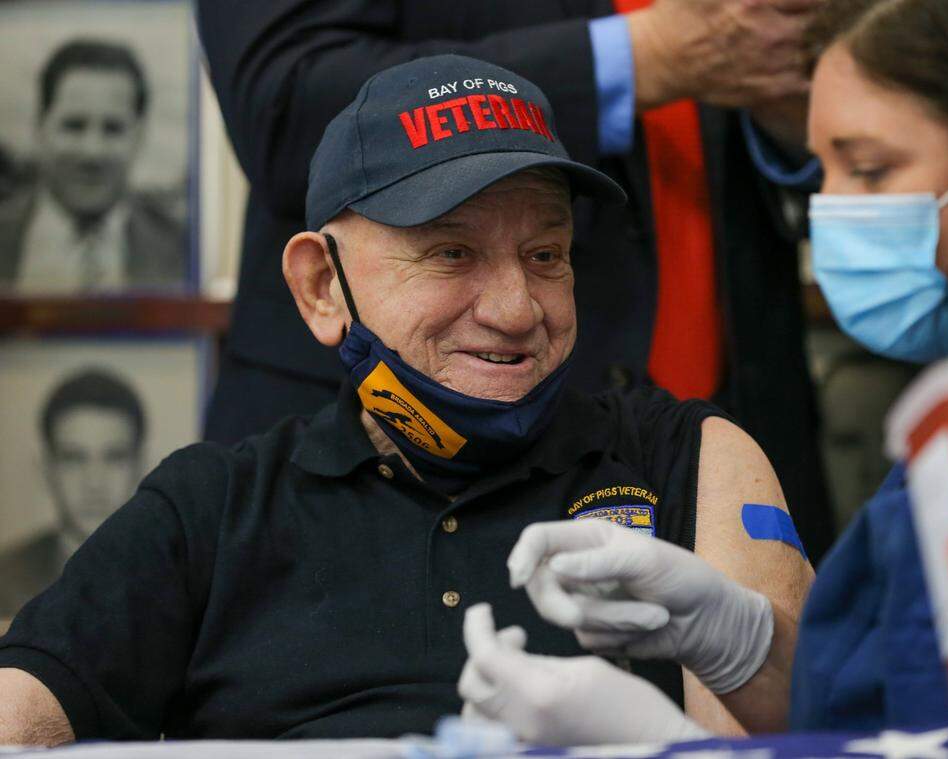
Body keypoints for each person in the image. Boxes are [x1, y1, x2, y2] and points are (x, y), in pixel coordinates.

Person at [0, 56, 813, 746]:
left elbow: (812, 732)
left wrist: (732, 660)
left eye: (546, 252)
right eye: (451, 252)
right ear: (322, 287)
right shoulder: (209, 508)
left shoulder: (688, 457)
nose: (516, 308)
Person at [457, 0, 948, 744]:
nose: (828, 211)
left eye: (871, 169)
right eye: (823, 170)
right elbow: (882, 707)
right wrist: (742, 643)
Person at [196, 0, 838, 564]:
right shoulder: (186, 508)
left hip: (735, 413)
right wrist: (643, 58)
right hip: (396, 456)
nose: (513, 307)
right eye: (450, 250)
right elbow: (280, 100)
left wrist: (801, 112)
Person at [0, 38, 185, 293]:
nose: (92, 152)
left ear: (139, 137)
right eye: (74, 126)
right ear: (40, 127)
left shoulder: (185, 248)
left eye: (113, 129)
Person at [0, 369, 147, 618]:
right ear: (46, 469)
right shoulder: (6, 579)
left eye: (114, 457)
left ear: (140, 466)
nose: (94, 482)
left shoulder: (177, 575)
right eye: (73, 458)